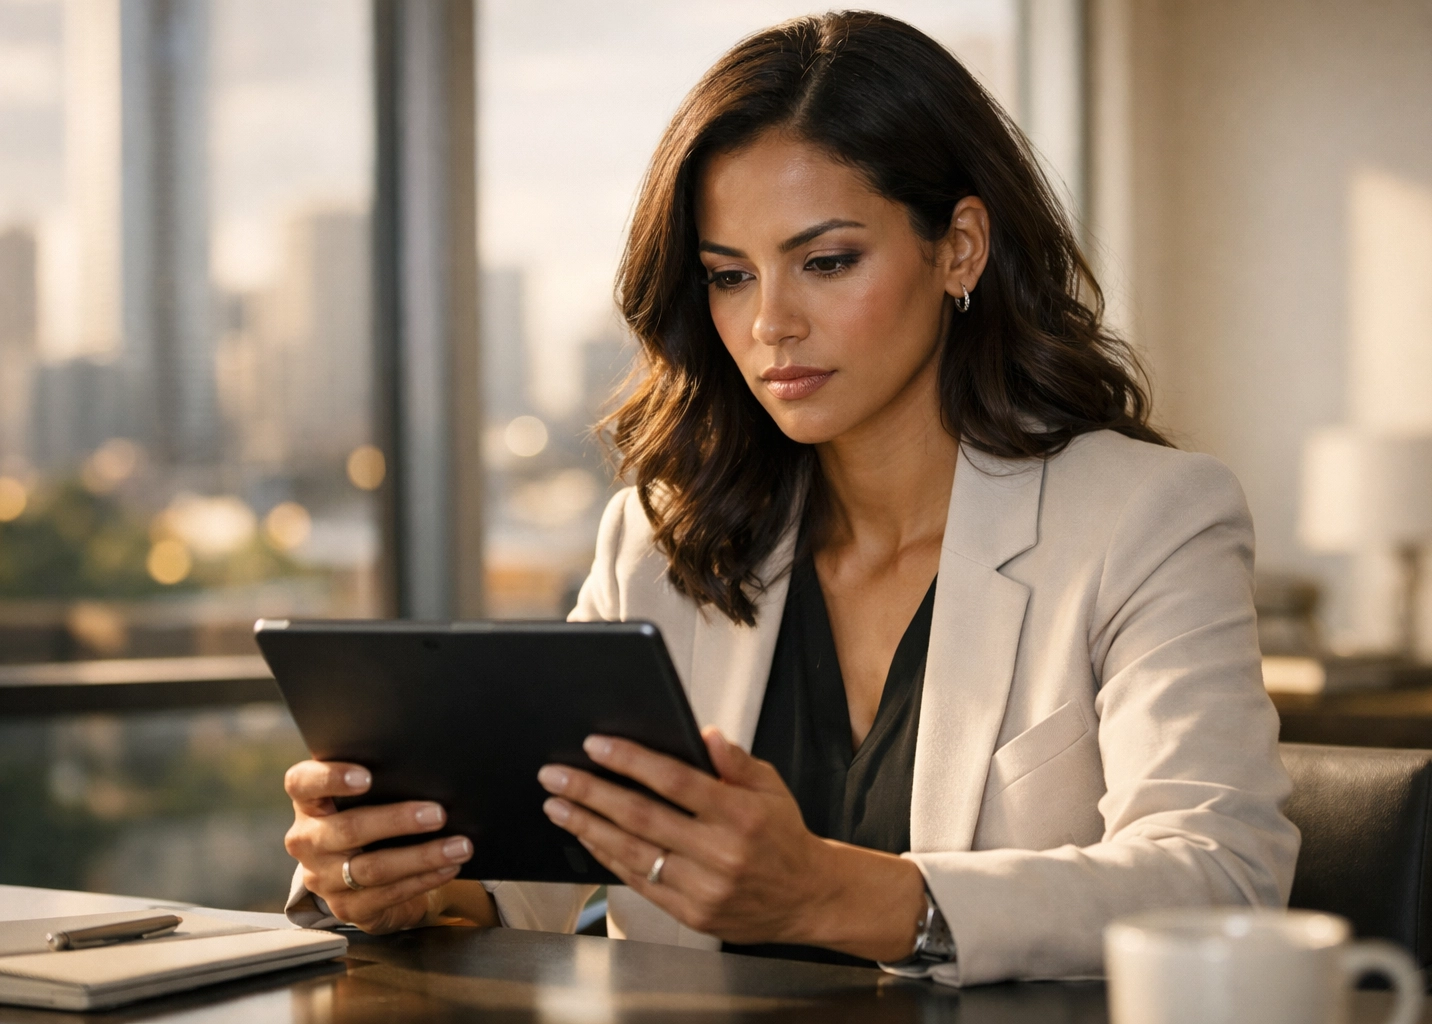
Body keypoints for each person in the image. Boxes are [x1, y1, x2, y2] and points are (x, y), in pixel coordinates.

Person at [281, 11, 1299, 986]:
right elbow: (536, 881)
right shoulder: (657, 541)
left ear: (960, 248)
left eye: (825, 262)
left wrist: (831, 894)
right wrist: (401, 879)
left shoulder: (1150, 518)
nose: (770, 323)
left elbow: (1221, 878)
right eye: (729, 275)